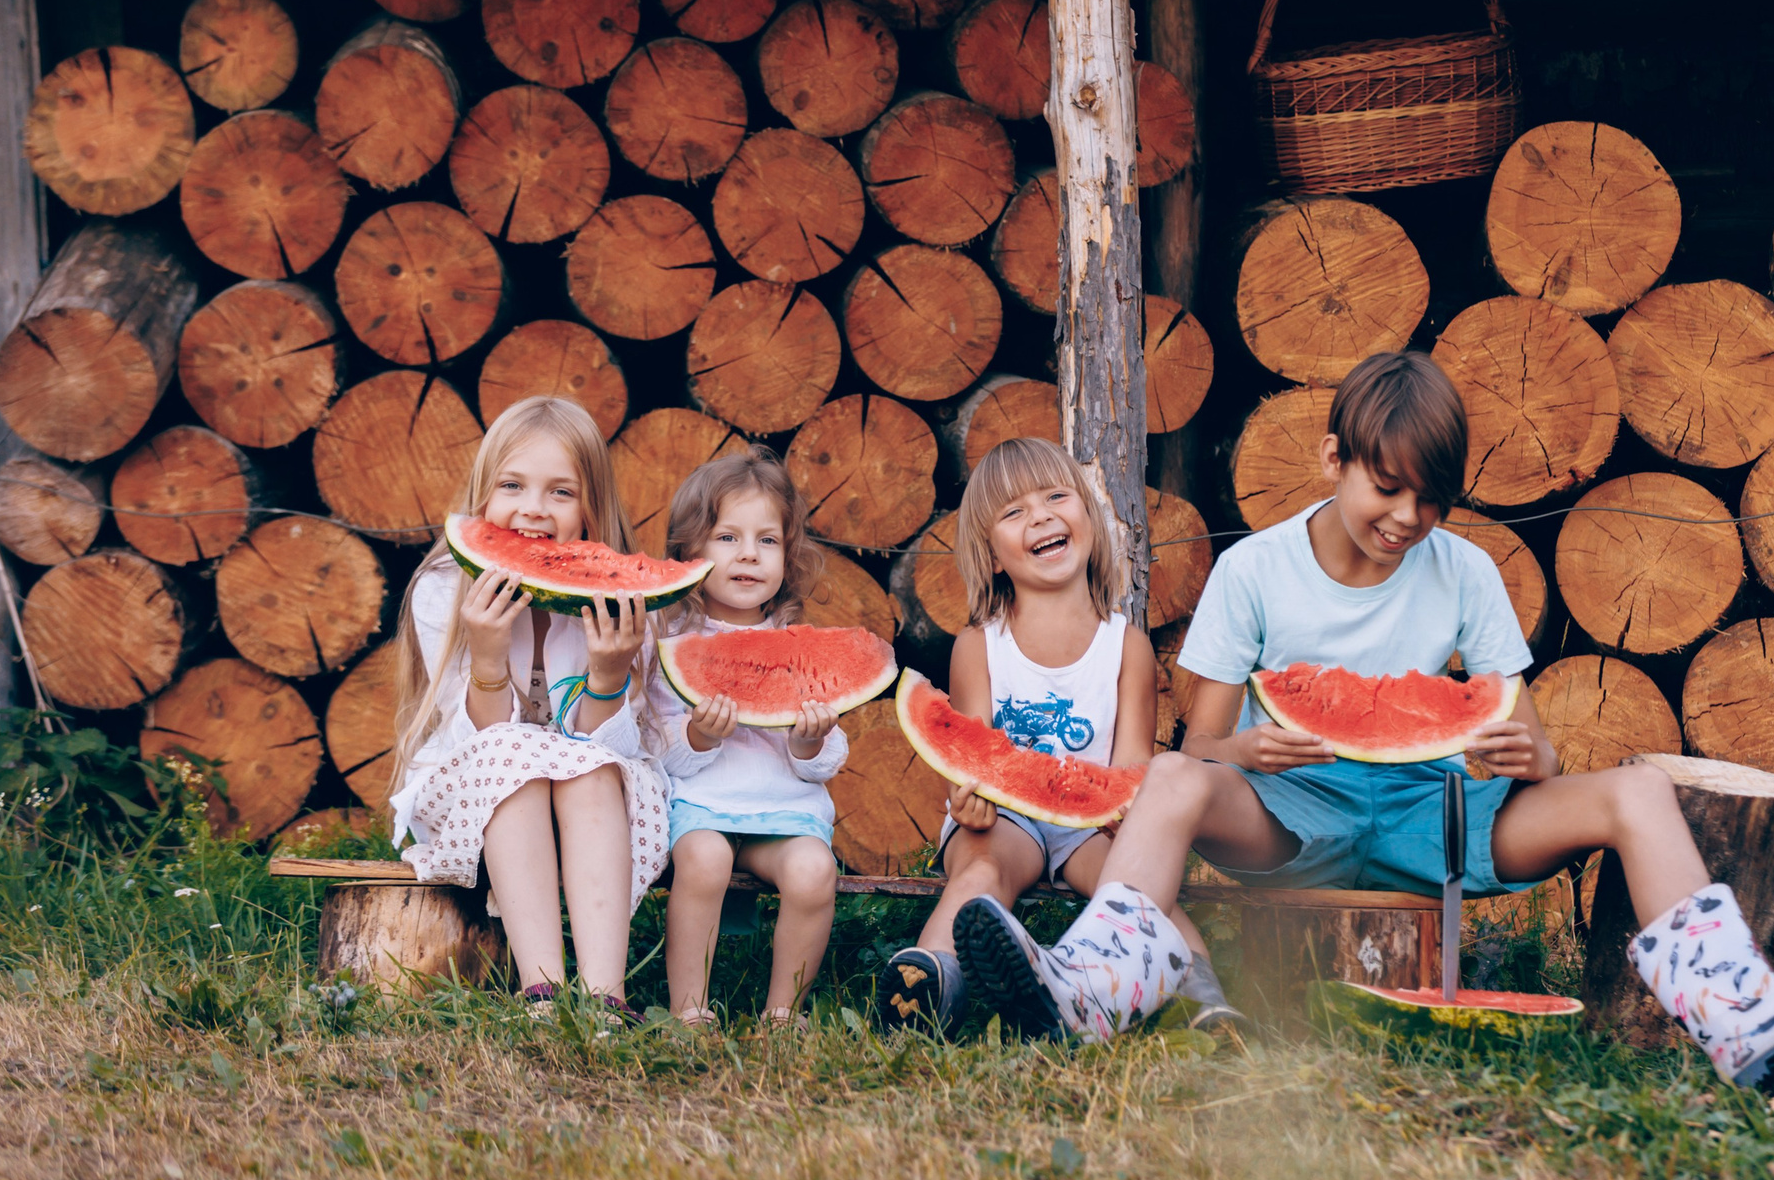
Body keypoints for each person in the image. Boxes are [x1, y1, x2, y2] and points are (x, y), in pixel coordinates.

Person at [954, 351, 1774, 1092]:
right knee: (1168, 777)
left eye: (1432, 499)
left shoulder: (1466, 572)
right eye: (1387, 487)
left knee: (1639, 792)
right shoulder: (1255, 570)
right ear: (1334, 459)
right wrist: (1247, 747)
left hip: (1433, 818)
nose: (1408, 517)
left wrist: (1530, 749)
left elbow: (1533, 746)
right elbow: (1199, 748)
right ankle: (1087, 987)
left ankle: (1745, 1019)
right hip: (1288, 817)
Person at [875, 437, 1240, 1035]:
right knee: (981, 876)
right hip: (1000, 821)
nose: (1040, 515)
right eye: (1014, 512)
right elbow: (973, 758)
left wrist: (1122, 817)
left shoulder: (1128, 647)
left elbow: (1127, 771)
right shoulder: (979, 645)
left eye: (1055, 497)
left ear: (1087, 520)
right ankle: (927, 987)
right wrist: (968, 802)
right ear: (992, 556)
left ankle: (1205, 1003)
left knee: (1139, 898)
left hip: (1089, 828)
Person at [389, 395, 665, 1018]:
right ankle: (540, 990)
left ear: (593, 509)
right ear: (483, 496)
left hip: (597, 801)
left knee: (587, 768)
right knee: (515, 756)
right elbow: (477, 745)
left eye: (561, 492)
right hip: (473, 790)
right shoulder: (442, 589)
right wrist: (487, 657)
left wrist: (609, 673)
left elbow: (611, 750)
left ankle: (604, 999)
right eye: (512, 485)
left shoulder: (624, 605)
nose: (534, 509)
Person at [640, 452, 847, 1027]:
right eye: (727, 536)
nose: (749, 554)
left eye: (768, 540)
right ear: (689, 552)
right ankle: (688, 1009)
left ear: (789, 554)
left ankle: (783, 1013)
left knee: (814, 873)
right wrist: (699, 736)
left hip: (785, 812)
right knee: (703, 860)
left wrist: (808, 743)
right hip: (702, 806)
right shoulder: (672, 640)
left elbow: (826, 760)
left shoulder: (796, 642)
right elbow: (660, 749)